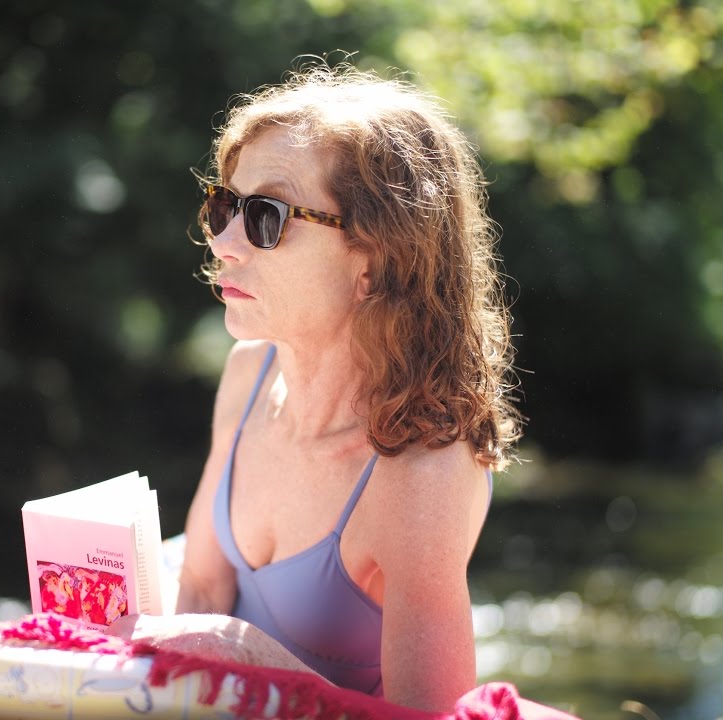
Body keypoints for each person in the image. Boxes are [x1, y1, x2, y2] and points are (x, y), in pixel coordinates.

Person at [109, 63, 521, 714]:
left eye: (266, 216)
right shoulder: (249, 374)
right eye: (225, 206)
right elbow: (204, 592)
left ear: (377, 257)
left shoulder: (423, 472)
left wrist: (247, 654)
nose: (223, 242)